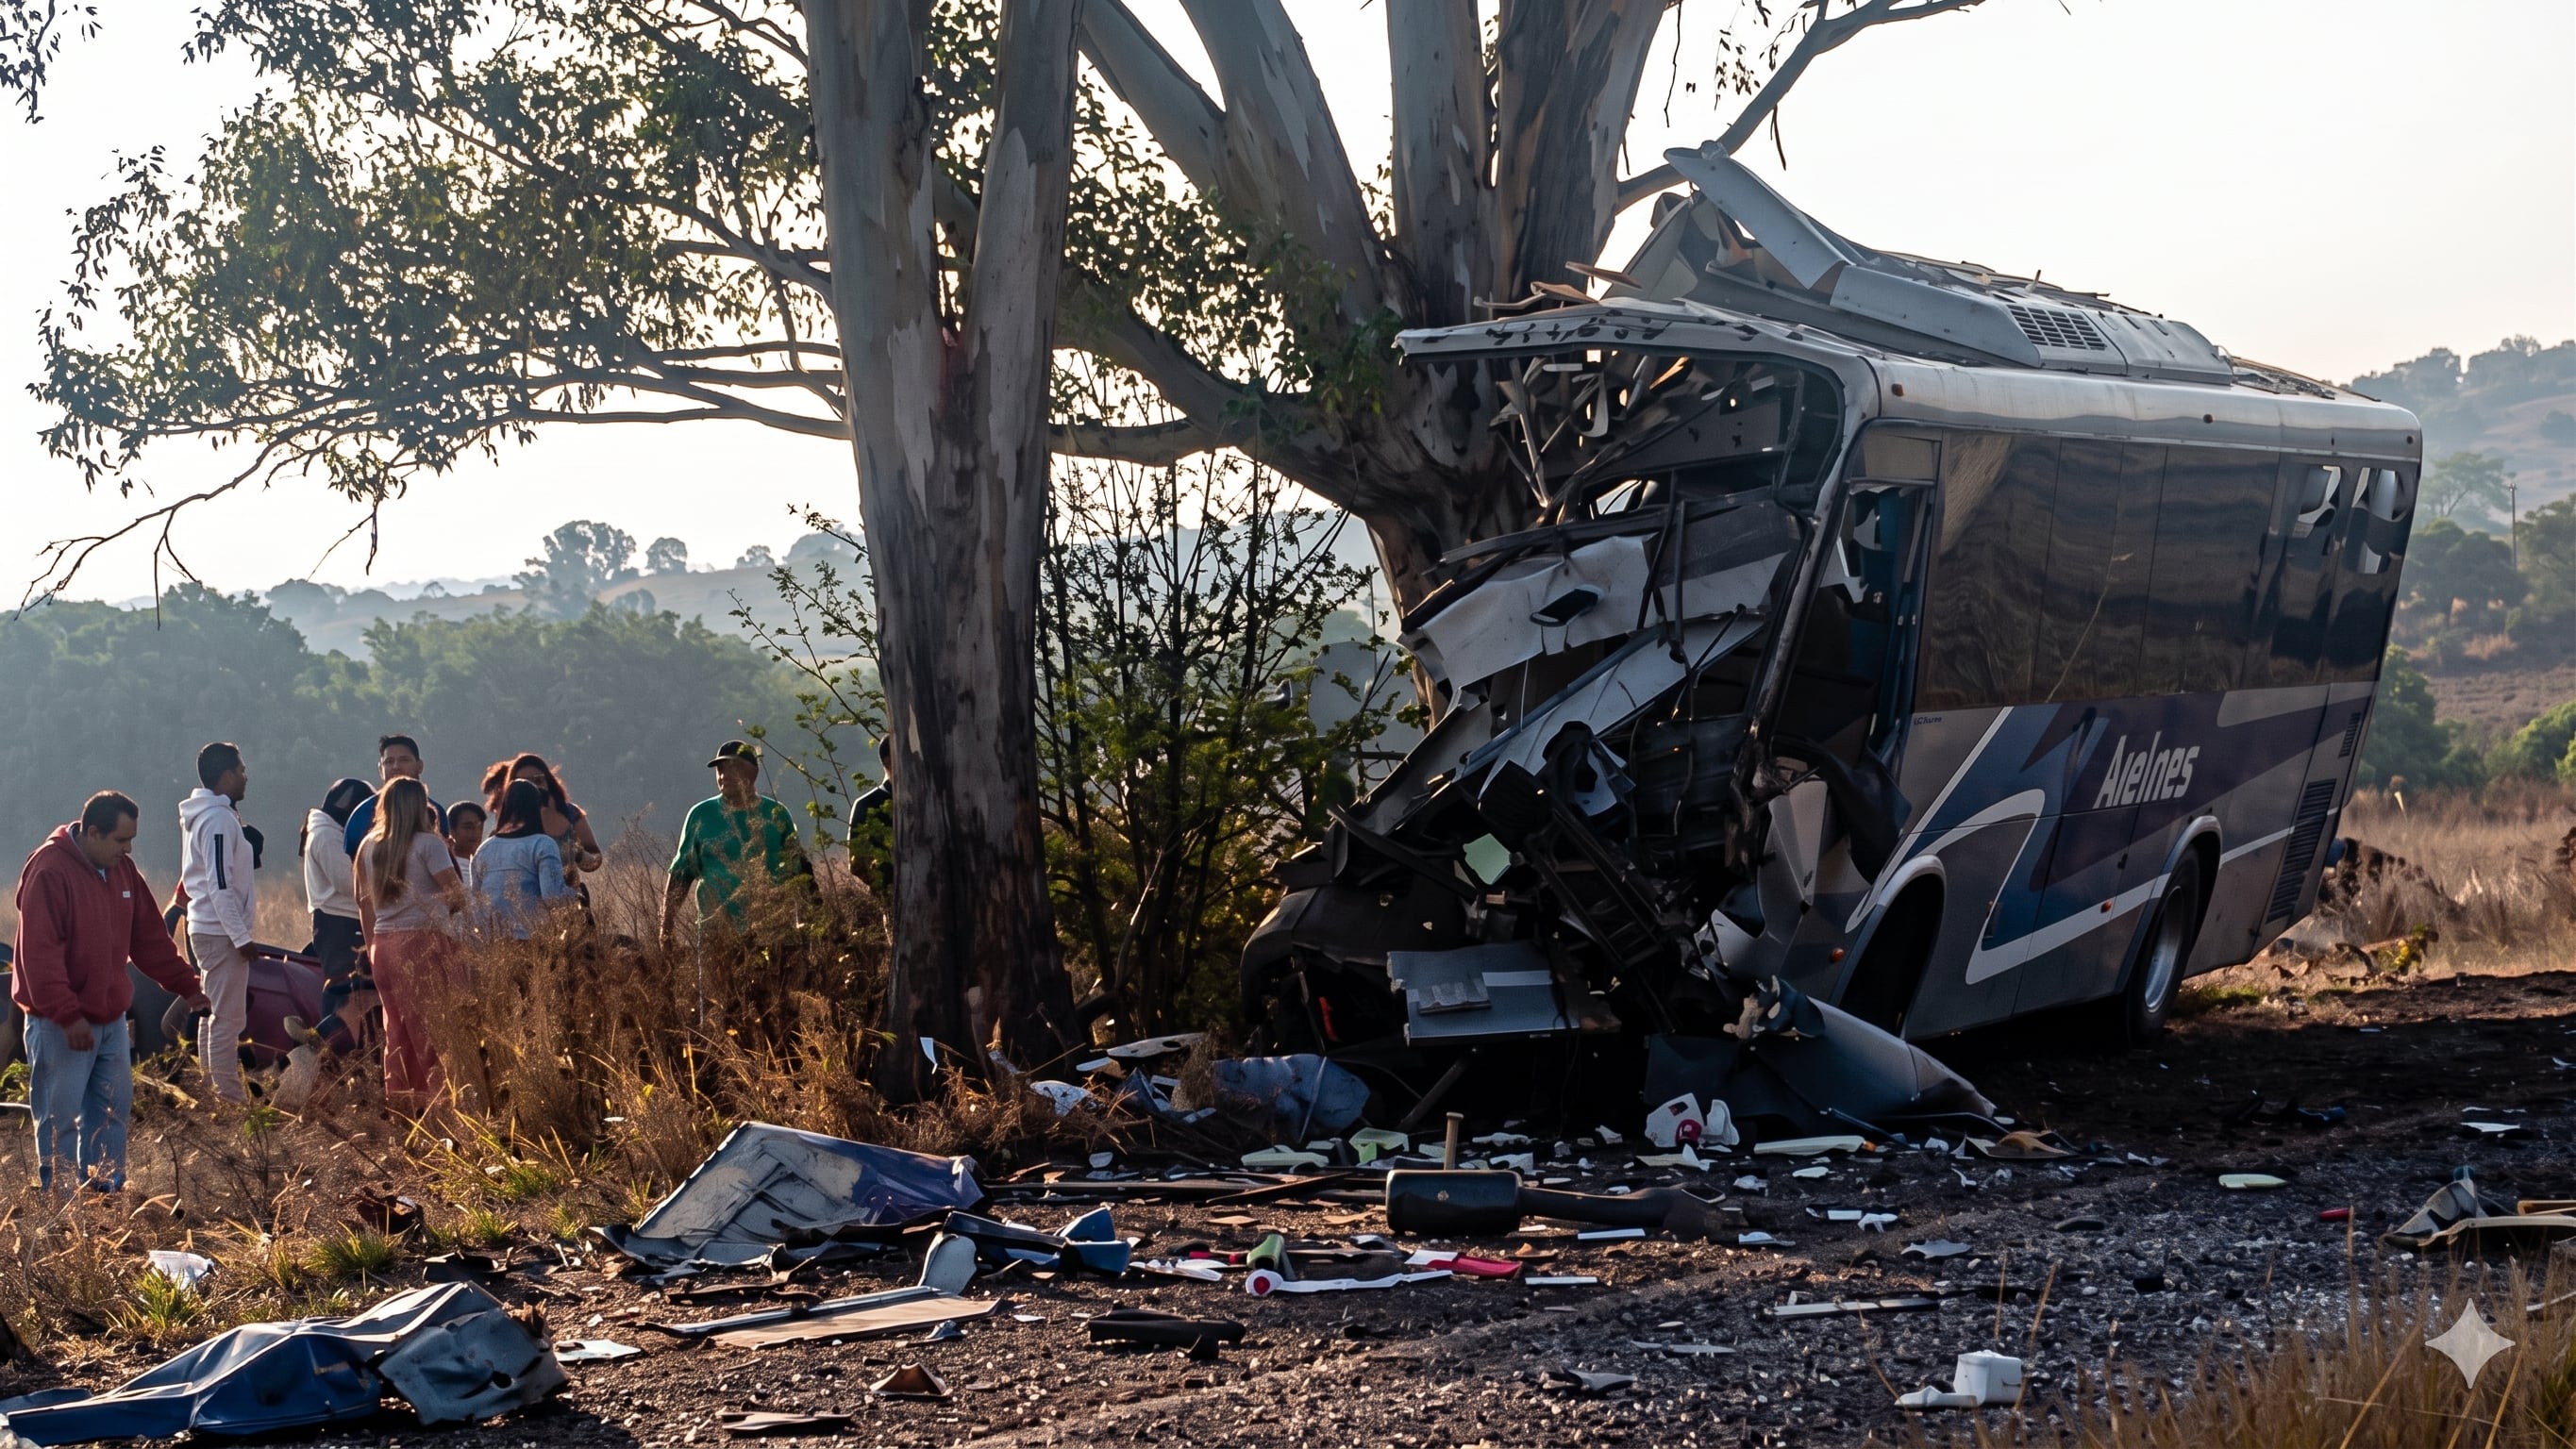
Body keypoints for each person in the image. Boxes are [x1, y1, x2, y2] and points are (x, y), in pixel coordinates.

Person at [11, 792, 211, 1190]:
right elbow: (40, 955)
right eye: (121, 840)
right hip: (57, 1024)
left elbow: (151, 941)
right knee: (59, 1121)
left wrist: (188, 987)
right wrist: (68, 1015)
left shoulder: (124, 872)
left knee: (110, 1115)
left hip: (111, 1021)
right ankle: (62, 1209)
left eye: (132, 840)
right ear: (92, 832)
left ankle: (106, 1196)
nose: (128, 849)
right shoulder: (50, 871)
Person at [356, 778, 467, 1108]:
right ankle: (441, 1108)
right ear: (421, 806)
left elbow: (364, 903)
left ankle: (402, 1107)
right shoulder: (427, 845)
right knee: (433, 1032)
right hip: (422, 941)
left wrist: (372, 946)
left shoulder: (368, 846)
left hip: (384, 945)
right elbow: (457, 896)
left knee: (397, 1034)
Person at [661, 740, 809, 945]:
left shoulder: (776, 814)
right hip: (717, 936)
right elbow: (680, 876)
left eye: (732, 769)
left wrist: (811, 923)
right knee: (719, 979)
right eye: (720, 770)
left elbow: (801, 873)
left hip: (774, 934)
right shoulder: (701, 815)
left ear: (752, 773)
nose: (723, 776)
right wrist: (666, 929)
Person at [179, 741, 258, 1105]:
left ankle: (214, 1095)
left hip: (208, 927)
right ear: (227, 776)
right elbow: (220, 883)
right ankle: (229, 1101)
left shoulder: (209, 816)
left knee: (214, 1014)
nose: (245, 778)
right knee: (228, 1021)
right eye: (241, 771)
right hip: (219, 931)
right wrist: (240, 936)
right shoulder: (218, 819)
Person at [470, 781, 570, 939]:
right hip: (533, 941)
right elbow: (553, 898)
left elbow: (477, 899)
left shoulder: (484, 849)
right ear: (536, 808)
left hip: (493, 944)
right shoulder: (542, 844)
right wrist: (576, 894)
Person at [479, 754, 604, 881]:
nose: (533, 787)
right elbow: (489, 864)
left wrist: (578, 853)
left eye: (538, 780)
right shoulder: (508, 819)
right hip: (524, 899)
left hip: (566, 898)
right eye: (524, 782)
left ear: (549, 782)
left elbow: (596, 859)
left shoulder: (570, 813)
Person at [301, 778, 374, 979]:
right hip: (339, 924)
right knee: (347, 990)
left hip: (347, 921)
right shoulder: (326, 835)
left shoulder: (334, 832)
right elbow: (349, 883)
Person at [343, 734, 446, 857]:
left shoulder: (435, 812)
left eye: (404, 760)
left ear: (420, 766)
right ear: (381, 770)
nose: (396, 767)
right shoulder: (363, 813)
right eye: (389, 762)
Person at [445, 800, 488, 874]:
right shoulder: (448, 869)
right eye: (468, 827)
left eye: (479, 827)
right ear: (451, 830)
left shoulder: (483, 867)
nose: (476, 832)